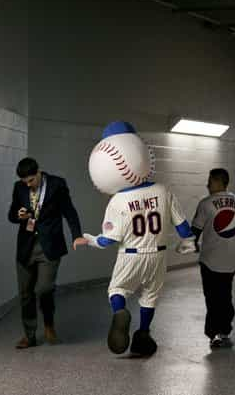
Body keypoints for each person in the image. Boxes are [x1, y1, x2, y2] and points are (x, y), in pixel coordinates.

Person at [75, 121, 196, 356]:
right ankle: (143, 334)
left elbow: (107, 240)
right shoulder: (163, 190)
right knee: (150, 297)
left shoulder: (117, 201)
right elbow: (183, 228)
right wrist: (188, 243)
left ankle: (120, 312)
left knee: (117, 289)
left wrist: (89, 239)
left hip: (130, 255)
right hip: (159, 256)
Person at [8, 157, 83, 349]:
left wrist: (77, 235)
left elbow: (69, 211)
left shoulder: (57, 185)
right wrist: (19, 215)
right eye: (25, 182)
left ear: (39, 172)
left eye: (31, 180)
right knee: (25, 294)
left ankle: (49, 324)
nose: (28, 185)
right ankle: (29, 335)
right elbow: (11, 214)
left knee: (44, 289)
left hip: (49, 246)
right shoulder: (19, 188)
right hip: (26, 248)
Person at [191, 168, 235, 348]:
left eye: (210, 181)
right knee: (225, 296)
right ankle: (224, 331)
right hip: (229, 262)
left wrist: (191, 243)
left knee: (212, 298)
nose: (207, 184)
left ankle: (214, 334)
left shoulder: (205, 204)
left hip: (209, 261)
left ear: (220, 182)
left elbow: (195, 230)